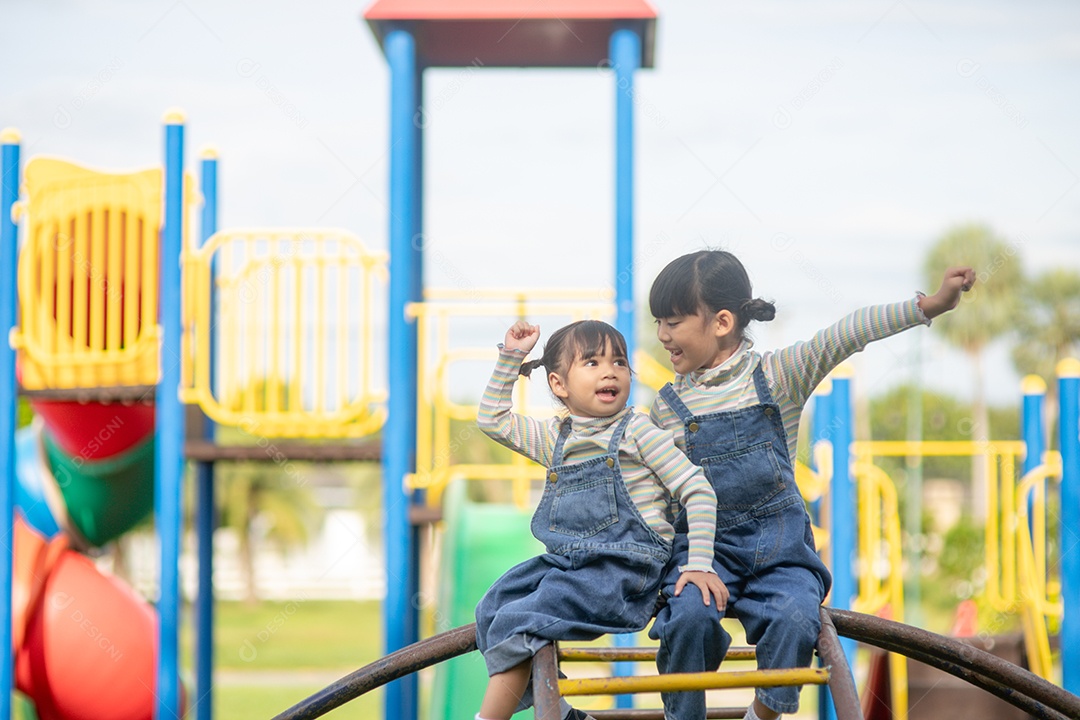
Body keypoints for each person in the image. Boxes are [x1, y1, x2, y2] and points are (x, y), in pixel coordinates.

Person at [646, 250, 974, 720]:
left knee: (796, 615)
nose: (662, 335)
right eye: (659, 322)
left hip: (777, 553)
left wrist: (932, 305)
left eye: (673, 322)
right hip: (704, 551)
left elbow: (848, 333)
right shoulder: (666, 406)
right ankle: (684, 715)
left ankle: (762, 715)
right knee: (688, 615)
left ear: (721, 321)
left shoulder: (778, 376)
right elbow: (659, 493)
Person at [474, 319, 728, 720]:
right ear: (559, 384)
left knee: (521, 621)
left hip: (623, 570)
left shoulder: (638, 431)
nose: (610, 370)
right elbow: (492, 419)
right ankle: (560, 711)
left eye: (620, 362)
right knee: (492, 608)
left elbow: (696, 489)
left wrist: (698, 563)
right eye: (591, 362)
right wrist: (512, 358)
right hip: (568, 565)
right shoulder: (554, 439)